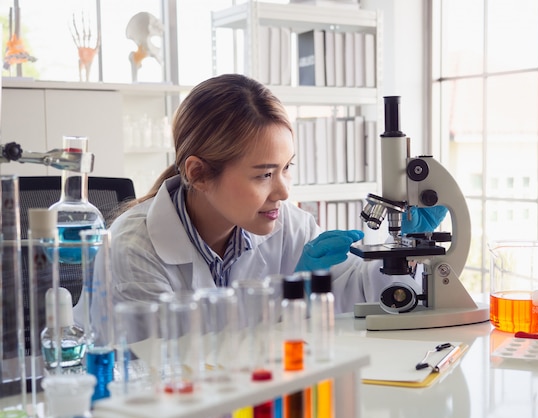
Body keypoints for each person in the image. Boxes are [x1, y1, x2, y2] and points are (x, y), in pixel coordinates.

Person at [86, 74, 446, 343]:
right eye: (264, 175)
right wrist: (285, 303)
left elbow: (367, 296)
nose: (283, 192)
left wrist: (403, 252)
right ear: (198, 173)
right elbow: (171, 365)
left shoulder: (288, 225)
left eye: (287, 167)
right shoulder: (133, 252)